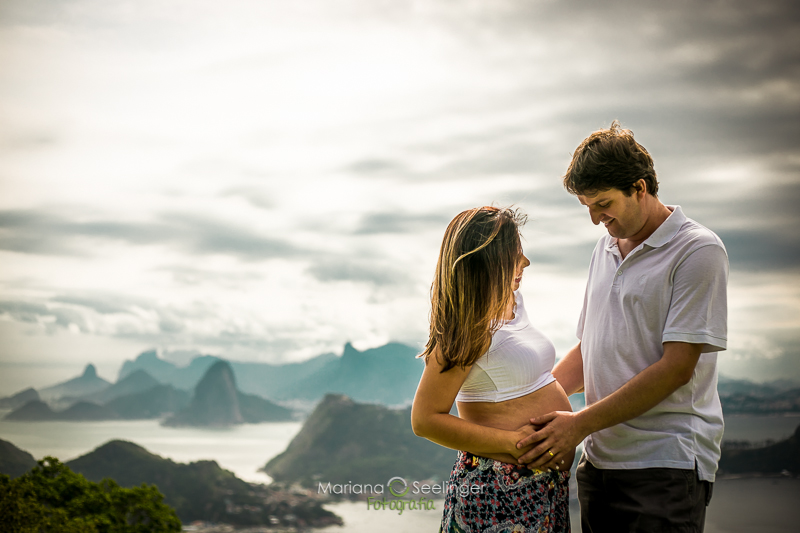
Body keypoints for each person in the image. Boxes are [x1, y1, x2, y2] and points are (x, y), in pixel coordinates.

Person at [516, 121, 728, 532]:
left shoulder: (698, 250)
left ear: (640, 187)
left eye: (603, 203)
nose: (595, 219)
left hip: (665, 466)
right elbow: (588, 348)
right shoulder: (604, 248)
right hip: (598, 464)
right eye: (587, 207)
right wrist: (535, 412)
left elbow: (677, 368)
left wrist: (576, 425)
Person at [411, 206, 574, 533]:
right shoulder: (466, 327)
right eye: (515, 255)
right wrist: (514, 443)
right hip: (496, 492)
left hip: (542, 488)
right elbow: (424, 419)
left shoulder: (514, 304)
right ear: (488, 261)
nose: (525, 263)